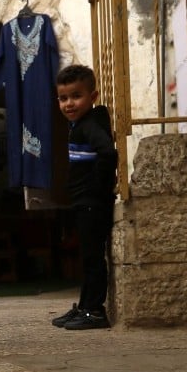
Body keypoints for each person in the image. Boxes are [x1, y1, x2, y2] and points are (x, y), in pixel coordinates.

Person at [50, 64, 118, 330]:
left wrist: (98, 188)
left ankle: (95, 311)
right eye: (63, 98)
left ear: (93, 96)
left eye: (76, 96)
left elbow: (108, 154)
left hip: (92, 201)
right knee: (87, 256)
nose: (69, 103)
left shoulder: (90, 125)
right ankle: (85, 305)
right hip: (85, 201)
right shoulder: (81, 124)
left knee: (92, 258)